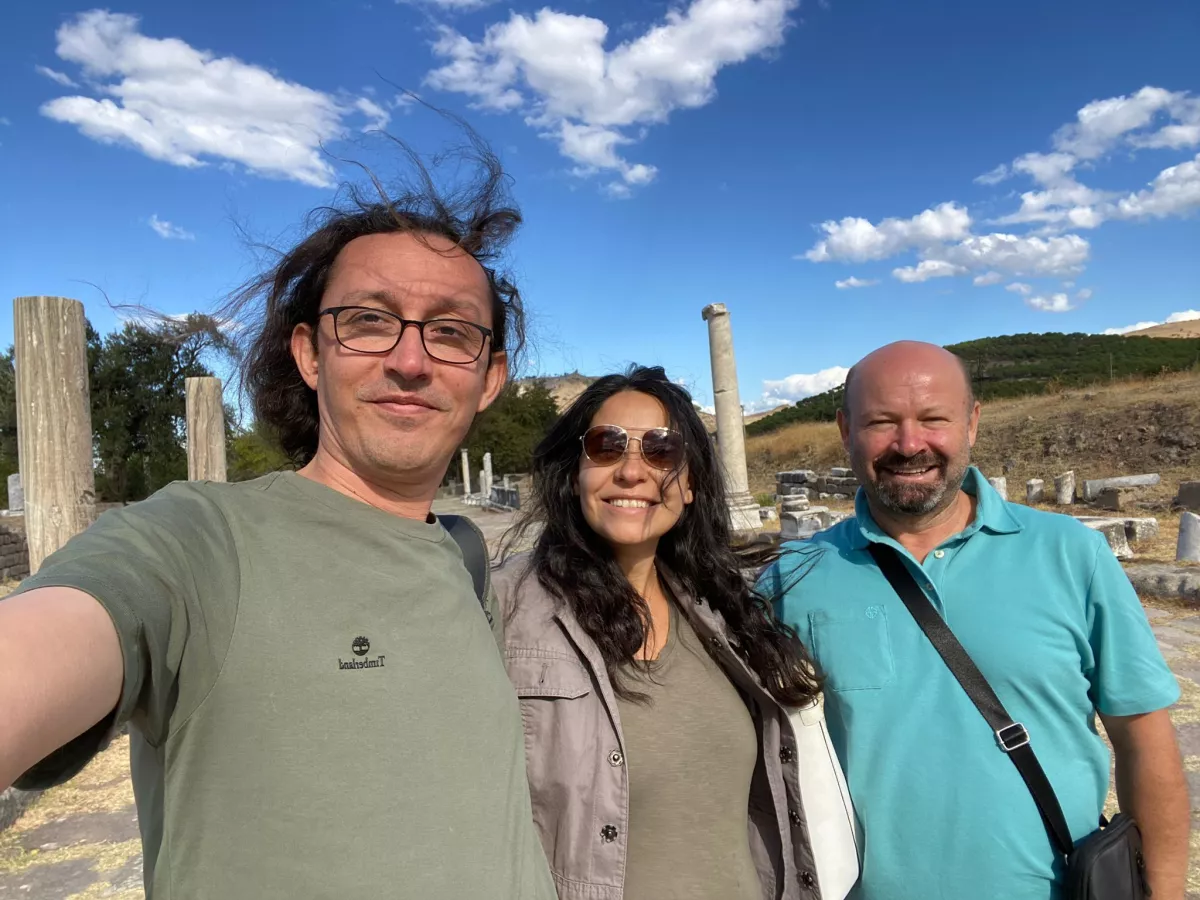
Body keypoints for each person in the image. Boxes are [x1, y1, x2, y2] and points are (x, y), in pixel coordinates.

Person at [0, 146, 556, 899]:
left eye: (452, 332)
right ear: (309, 352)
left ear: (489, 378)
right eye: (368, 321)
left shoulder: (461, 554)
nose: (411, 361)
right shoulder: (198, 541)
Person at [759, 340, 1189, 900]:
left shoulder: (1071, 554)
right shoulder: (793, 577)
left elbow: (1145, 745)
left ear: (972, 424)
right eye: (882, 422)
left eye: (933, 419)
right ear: (846, 430)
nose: (909, 444)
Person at [493, 365, 853, 900]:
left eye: (661, 450)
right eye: (606, 445)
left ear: (689, 484)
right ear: (575, 473)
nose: (632, 471)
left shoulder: (727, 612)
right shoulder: (500, 607)